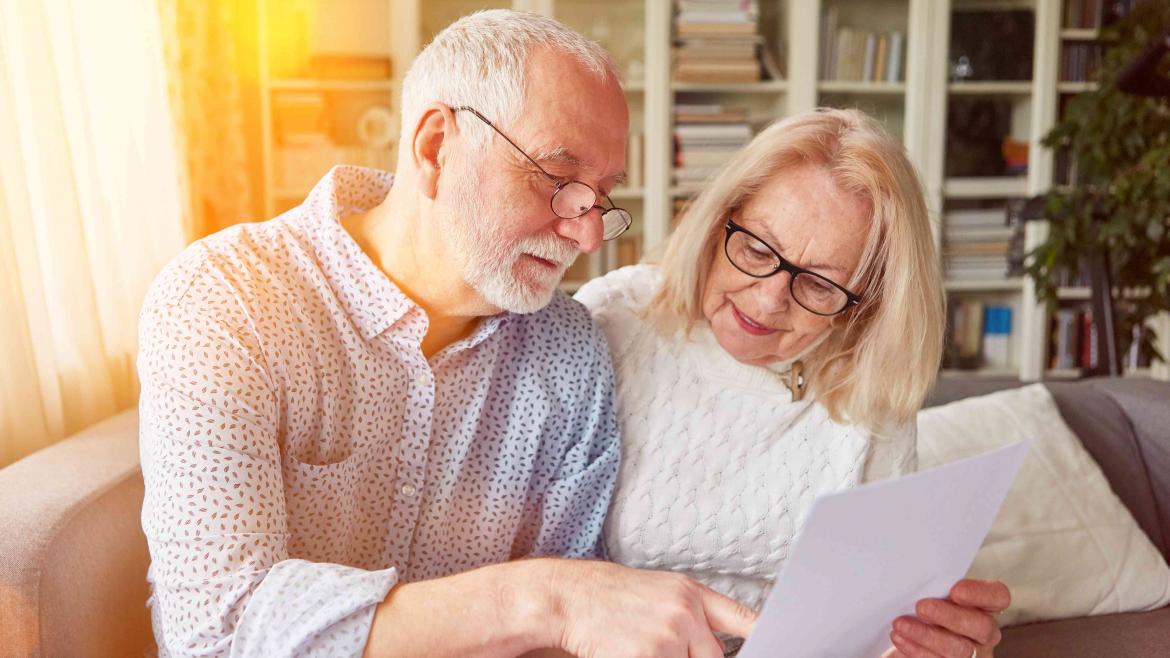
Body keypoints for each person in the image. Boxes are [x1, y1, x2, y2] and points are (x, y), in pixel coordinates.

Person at [138, 10, 754, 658]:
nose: (590, 233)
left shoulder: (569, 353)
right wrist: (545, 600)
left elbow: (570, 643)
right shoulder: (228, 301)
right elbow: (218, 630)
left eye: (600, 195)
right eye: (557, 179)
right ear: (435, 147)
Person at [575, 109, 1012, 658]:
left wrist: (929, 647)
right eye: (757, 250)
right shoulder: (615, 322)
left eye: (820, 284)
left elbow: (872, 618)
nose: (767, 300)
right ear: (717, 222)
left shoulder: (867, 390)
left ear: (865, 302)